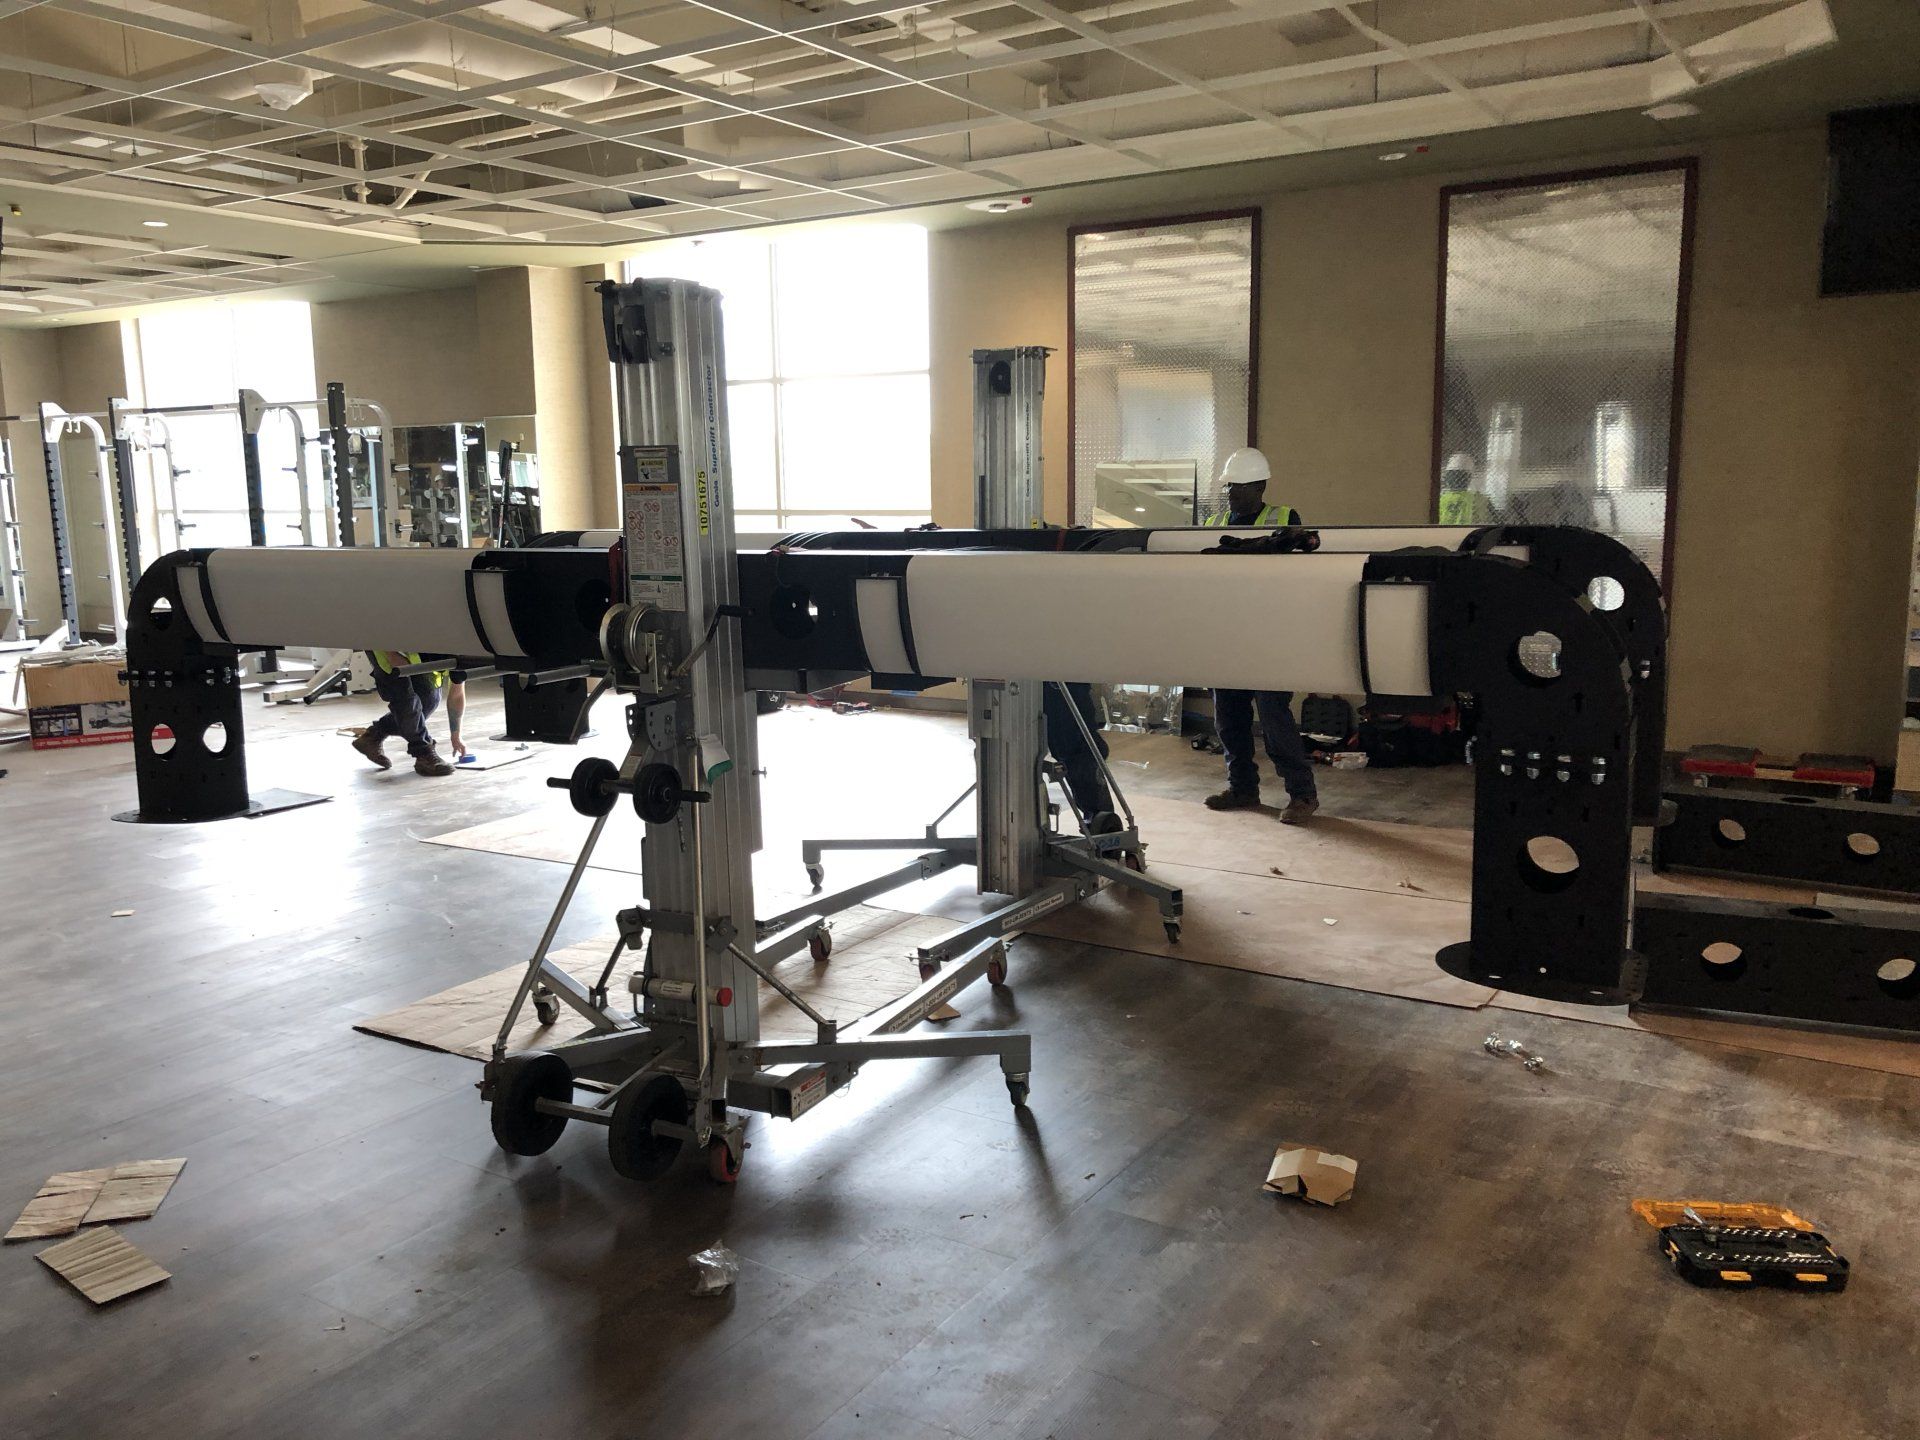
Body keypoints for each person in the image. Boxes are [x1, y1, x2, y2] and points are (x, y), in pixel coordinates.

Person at [1202, 448, 1319, 825]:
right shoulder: (1215, 521)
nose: (1231, 493)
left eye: (1239, 486)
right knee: (1228, 719)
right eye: (1229, 485)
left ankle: (1302, 795)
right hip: (1229, 631)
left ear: (1260, 486)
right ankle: (1242, 788)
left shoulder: (1285, 519)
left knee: (1273, 717)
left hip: (1271, 632)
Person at [351, 650, 465, 776]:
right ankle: (424, 754)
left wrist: (456, 735)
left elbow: (457, 694)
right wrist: (390, 653)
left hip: (420, 651)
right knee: (405, 700)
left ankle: (373, 736)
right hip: (383, 642)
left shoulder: (459, 654)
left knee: (429, 700)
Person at [1043, 680, 1120, 832]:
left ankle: (1100, 822)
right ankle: (1099, 821)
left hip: (1076, 742)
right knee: (1082, 766)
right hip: (1073, 740)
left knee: (1083, 768)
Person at [1438, 452, 1492, 525]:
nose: (1455, 479)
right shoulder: (1480, 499)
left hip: (1442, 533)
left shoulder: (1440, 499)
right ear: (1469, 478)